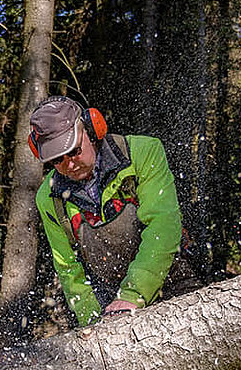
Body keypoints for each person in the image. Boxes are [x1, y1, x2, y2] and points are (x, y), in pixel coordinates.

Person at [29, 95, 193, 326]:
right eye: (58, 160)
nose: (69, 164)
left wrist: (132, 295)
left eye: (75, 151)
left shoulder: (141, 153)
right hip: (109, 297)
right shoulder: (49, 198)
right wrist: (93, 323)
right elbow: (69, 269)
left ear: (92, 129)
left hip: (173, 280)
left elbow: (163, 226)